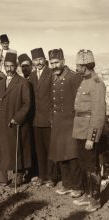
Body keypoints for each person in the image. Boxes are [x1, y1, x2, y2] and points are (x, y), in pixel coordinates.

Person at [72, 50, 106, 212]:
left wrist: (91, 138)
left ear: (85, 66)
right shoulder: (84, 80)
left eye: (78, 65)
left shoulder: (97, 83)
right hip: (79, 130)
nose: (76, 67)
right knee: (84, 164)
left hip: (88, 132)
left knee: (92, 167)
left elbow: (98, 114)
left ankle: (96, 198)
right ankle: (87, 194)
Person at [0, 52, 32, 187]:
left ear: (16, 67)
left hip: (14, 122)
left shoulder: (22, 82)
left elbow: (27, 104)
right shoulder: (2, 82)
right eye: (6, 66)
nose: (9, 69)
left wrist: (17, 118)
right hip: (1, 121)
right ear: (4, 66)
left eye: (12, 66)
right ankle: (1, 178)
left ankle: (18, 177)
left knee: (16, 149)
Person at [48, 48, 83, 198]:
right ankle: (67, 184)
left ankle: (78, 186)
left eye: (56, 62)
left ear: (63, 61)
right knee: (61, 154)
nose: (54, 66)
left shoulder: (73, 77)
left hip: (71, 122)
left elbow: (80, 102)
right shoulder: (53, 77)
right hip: (58, 123)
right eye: (51, 63)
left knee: (73, 156)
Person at [29, 48, 58, 187]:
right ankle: (42, 175)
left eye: (40, 59)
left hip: (48, 118)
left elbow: (54, 97)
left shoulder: (51, 73)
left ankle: (52, 177)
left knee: (50, 149)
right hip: (36, 119)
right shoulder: (32, 75)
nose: (38, 62)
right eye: (35, 60)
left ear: (44, 59)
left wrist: (52, 117)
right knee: (39, 150)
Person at [18, 53, 38, 182]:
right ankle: (29, 170)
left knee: (36, 146)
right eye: (22, 66)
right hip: (25, 118)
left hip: (36, 116)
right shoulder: (20, 81)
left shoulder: (35, 79)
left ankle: (37, 171)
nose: (25, 69)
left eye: (27, 66)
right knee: (26, 145)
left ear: (32, 66)